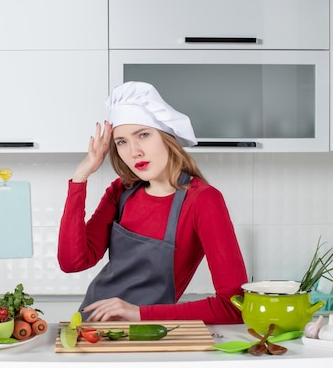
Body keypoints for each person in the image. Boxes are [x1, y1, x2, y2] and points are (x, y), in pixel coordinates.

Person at [57, 81, 247, 324]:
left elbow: (235, 305)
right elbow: (72, 262)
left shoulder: (203, 200)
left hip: (148, 333)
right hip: (91, 328)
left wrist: (138, 313)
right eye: (121, 142)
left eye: (143, 135)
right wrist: (80, 177)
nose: (133, 151)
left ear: (167, 137)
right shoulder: (121, 191)